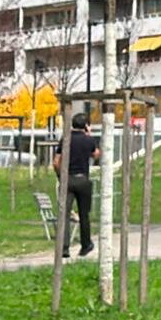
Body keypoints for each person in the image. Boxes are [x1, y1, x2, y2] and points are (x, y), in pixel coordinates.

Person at [57, 107, 103, 260]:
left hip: (68, 180)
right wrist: (89, 136)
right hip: (83, 179)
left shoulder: (65, 139)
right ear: (86, 126)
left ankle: (64, 248)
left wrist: (61, 176)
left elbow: (56, 162)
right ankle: (85, 245)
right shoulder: (89, 140)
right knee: (84, 214)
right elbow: (96, 155)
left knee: (64, 214)